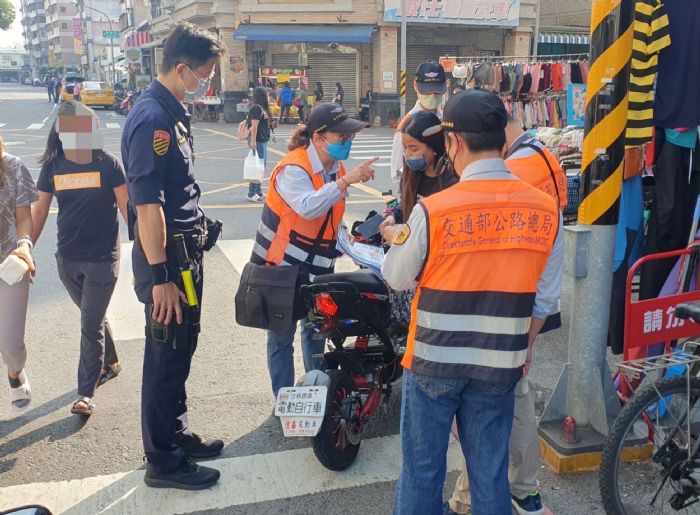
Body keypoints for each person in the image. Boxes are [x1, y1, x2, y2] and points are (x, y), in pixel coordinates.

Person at [383, 90, 560, 515]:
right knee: (490, 474)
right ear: (502, 140)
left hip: (433, 362)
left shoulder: (435, 209)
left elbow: (395, 275)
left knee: (422, 473)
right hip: (500, 363)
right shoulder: (545, 209)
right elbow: (546, 299)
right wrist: (526, 346)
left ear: (455, 142)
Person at [121, 22, 225, 490]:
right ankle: (162, 460)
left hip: (185, 256)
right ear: (182, 69)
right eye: (204, 75)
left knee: (182, 347)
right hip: (169, 264)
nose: (207, 85)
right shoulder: (152, 120)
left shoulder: (173, 113)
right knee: (165, 355)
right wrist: (161, 276)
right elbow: (147, 207)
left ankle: (177, 435)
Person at [446, 115, 567, 515]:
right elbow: (548, 290)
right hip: (520, 313)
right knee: (513, 403)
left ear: (459, 141)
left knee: (487, 412)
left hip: (492, 313)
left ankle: (477, 498)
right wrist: (528, 340)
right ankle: (521, 490)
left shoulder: (504, 177)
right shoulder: (546, 159)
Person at [248, 102, 376, 397]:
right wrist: (345, 182)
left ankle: (314, 394)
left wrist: (354, 246)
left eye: (350, 138)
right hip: (282, 268)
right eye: (341, 138)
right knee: (281, 337)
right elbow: (307, 207)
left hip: (318, 267)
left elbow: (331, 216)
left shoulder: (336, 168)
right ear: (318, 138)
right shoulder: (293, 168)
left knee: (317, 331)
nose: (347, 143)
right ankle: (284, 398)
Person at [31, 101, 128, 417]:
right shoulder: (53, 167)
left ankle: (85, 393)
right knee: (94, 318)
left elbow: (129, 210)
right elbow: (40, 211)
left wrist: (146, 249)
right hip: (67, 260)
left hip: (102, 259)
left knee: (89, 325)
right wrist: (24, 250)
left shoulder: (108, 164)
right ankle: (111, 361)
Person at [378, 110, 458, 325]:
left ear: (434, 147)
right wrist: (392, 217)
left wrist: (402, 235)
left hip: (438, 276)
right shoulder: (411, 175)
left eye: (414, 148)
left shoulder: (452, 181)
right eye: (405, 148)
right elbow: (406, 206)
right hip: (411, 270)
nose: (408, 154)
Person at [0, 135, 37, 412]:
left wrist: (24, 245)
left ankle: (15, 371)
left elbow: (24, 217)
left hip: (11, 265)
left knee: (11, 344)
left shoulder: (12, 167)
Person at [390, 61, 447, 187]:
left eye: (436, 92)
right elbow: (397, 171)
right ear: (415, 86)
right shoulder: (407, 125)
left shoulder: (447, 120)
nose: (432, 96)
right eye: (427, 92)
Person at [246, 86, 271, 202]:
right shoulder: (257, 108)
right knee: (257, 167)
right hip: (258, 141)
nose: (269, 97)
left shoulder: (262, 108)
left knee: (261, 167)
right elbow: (254, 126)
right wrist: (253, 141)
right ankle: (252, 193)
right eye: (267, 94)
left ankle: (258, 191)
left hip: (263, 140)